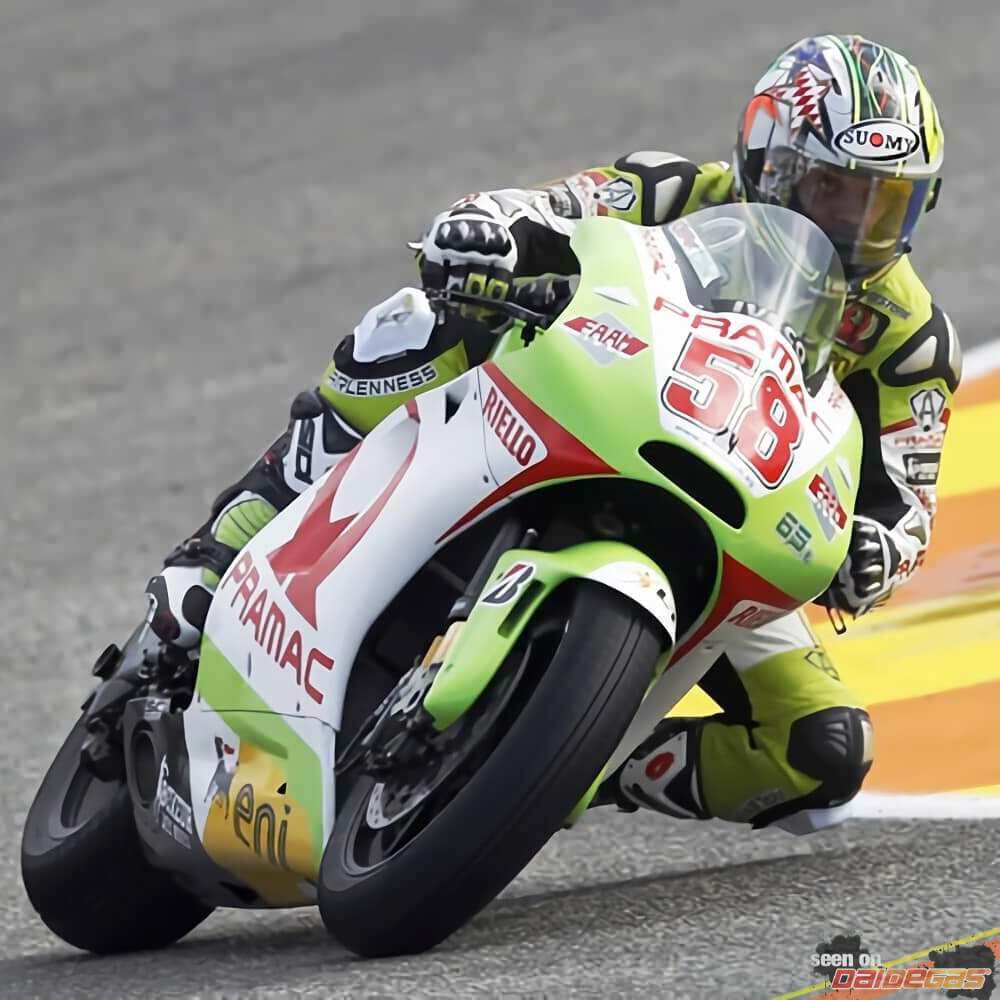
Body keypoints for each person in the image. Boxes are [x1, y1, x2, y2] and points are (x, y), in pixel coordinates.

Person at [142, 35, 960, 835]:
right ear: (769, 163)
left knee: (822, 754)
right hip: (590, 408)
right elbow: (549, 209)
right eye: (833, 189)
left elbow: (906, 500)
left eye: (886, 202)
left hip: (733, 517)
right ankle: (221, 549)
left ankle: (585, 762)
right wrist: (487, 230)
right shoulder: (676, 190)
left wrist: (879, 551)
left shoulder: (910, 337)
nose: (855, 222)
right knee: (421, 324)